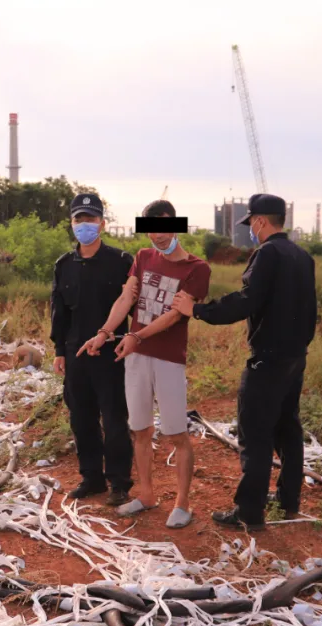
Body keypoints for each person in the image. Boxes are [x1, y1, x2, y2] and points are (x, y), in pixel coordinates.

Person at [172, 193, 316, 530]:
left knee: (255, 435)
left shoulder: (266, 254)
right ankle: (288, 498)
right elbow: (311, 309)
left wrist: (195, 310)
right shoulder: (302, 256)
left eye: (251, 222)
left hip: (268, 359)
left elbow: (245, 302)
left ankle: (249, 513)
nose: (251, 228)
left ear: (262, 221)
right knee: (288, 429)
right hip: (295, 357)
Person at [78, 200, 211, 528]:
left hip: (168, 359)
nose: (158, 235)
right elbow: (127, 299)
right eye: (152, 229)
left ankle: (182, 502)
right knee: (139, 429)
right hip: (136, 356)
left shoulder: (197, 269)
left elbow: (176, 315)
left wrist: (137, 336)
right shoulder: (143, 258)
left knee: (176, 433)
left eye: (165, 227)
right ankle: (148, 495)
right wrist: (105, 332)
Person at [50, 192, 134, 506]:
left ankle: (119, 482)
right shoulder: (64, 265)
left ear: (102, 223)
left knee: (114, 420)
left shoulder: (122, 262)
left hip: (111, 353)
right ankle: (92, 478)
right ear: (71, 224)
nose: (84, 225)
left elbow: (133, 307)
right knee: (81, 419)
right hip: (76, 353)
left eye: (90, 219)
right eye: (79, 219)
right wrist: (60, 350)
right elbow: (59, 310)